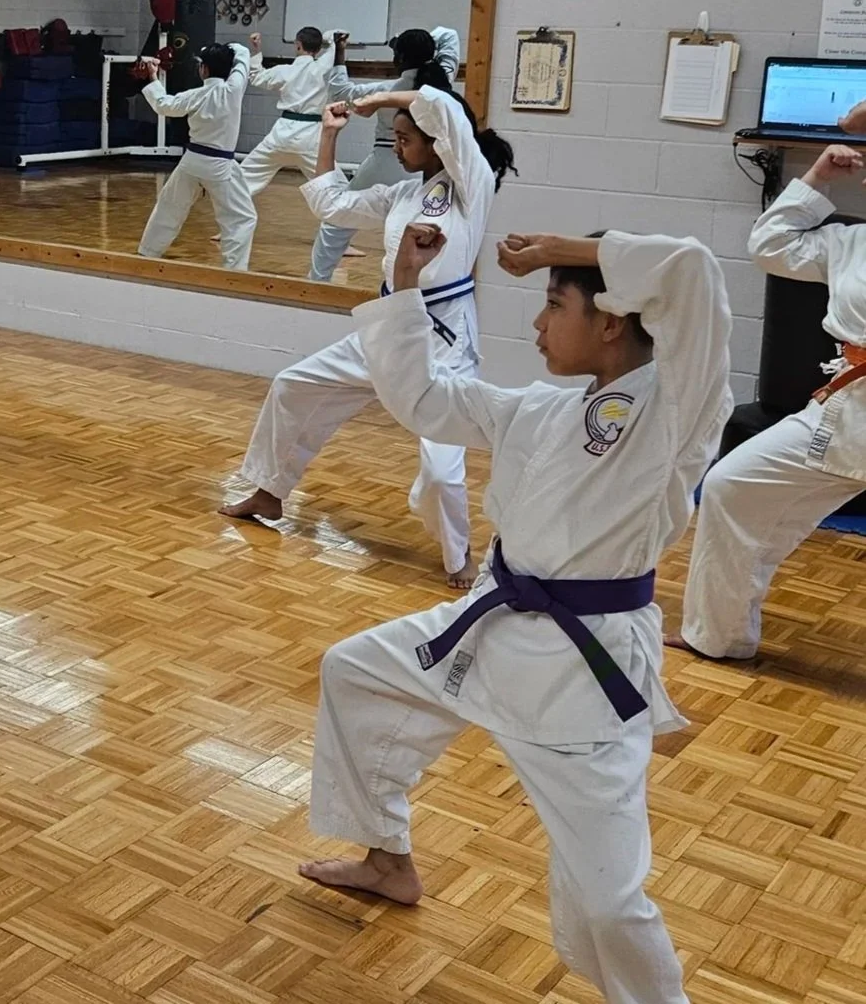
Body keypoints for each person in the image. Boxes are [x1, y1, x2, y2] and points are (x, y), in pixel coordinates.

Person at [299, 221, 730, 1004]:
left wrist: (570, 247)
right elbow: (423, 398)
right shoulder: (542, 409)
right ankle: (388, 859)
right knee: (354, 671)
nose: (535, 323)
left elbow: (694, 267)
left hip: (583, 672)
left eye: (552, 304)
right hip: (492, 625)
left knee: (607, 899)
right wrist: (404, 278)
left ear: (609, 322)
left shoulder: (675, 413)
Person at [223, 84, 515, 589]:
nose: (397, 147)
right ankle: (270, 490)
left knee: (442, 466)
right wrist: (329, 135)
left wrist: (379, 99)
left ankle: (458, 555)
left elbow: (445, 109)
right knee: (293, 384)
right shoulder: (402, 195)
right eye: (394, 138)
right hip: (390, 325)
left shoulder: (472, 184)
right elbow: (331, 204)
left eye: (405, 139)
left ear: (439, 143)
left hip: (443, 340)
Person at [671, 142, 866, 660]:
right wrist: (817, 178)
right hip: (847, 410)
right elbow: (771, 244)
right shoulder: (851, 243)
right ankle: (720, 635)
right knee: (732, 486)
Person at [311, 26, 461, 282]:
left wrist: (340, 52)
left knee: (336, 223)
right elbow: (449, 35)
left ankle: (317, 279)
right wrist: (425, 45)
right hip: (429, 169)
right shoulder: (442, 80)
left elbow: (339, 91)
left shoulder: (386, 91)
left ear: (399, 58)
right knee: (423, 229)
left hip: (384, 158)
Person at [132, 42, 256, 271]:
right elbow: (244, 55)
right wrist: (227, 49)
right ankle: (236, 270)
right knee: (241, 218)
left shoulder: (195, 95)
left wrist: (152, 78)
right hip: (220, 166)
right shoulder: (234, 88)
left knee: (169, 207)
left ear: (204, 70)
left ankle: (147, 254)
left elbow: (163, 104)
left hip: (191, 161)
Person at [239, 27, 340, 200]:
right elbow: (337, 40)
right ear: (318, 48)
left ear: (297, 45)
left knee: (243, 181)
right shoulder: (323, 67)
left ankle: (231, 208)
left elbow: (256, 77)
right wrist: (327, 40)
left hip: (281, 134)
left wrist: (256, 49)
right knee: (334, 187)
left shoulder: (284, 71)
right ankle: (342, 213)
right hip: (312, 136)